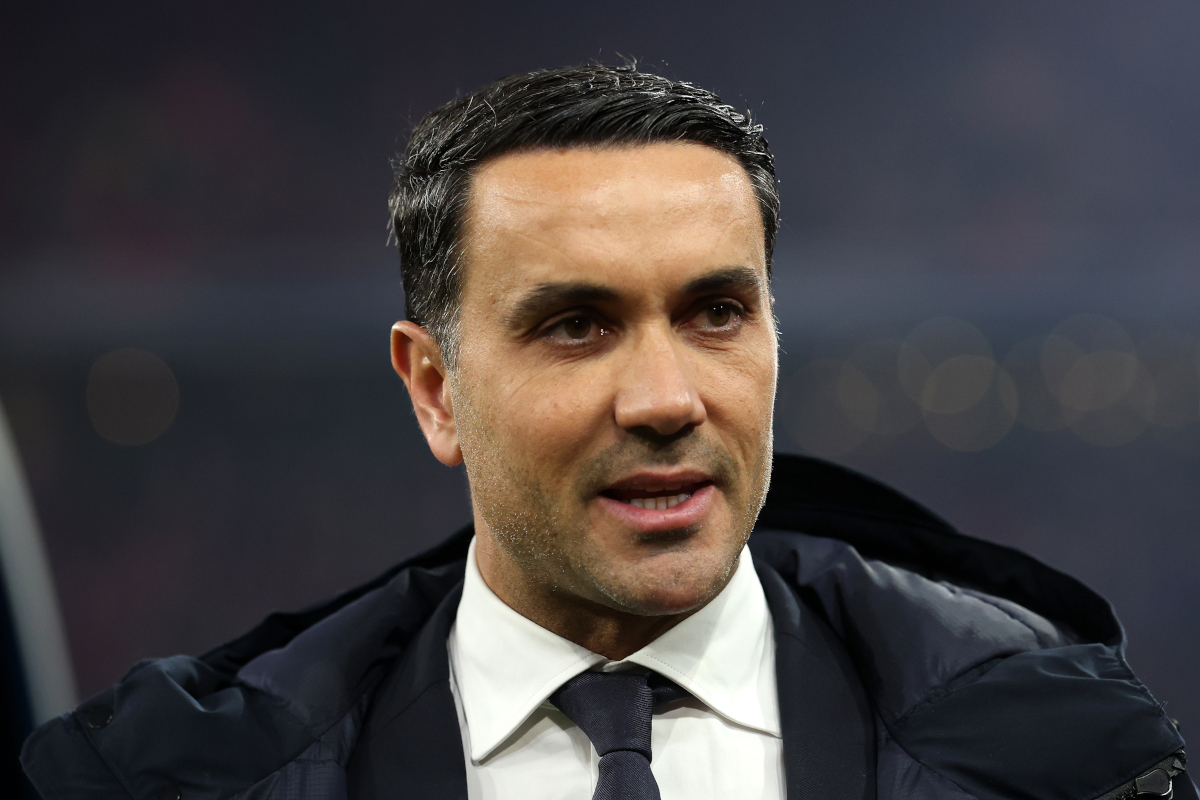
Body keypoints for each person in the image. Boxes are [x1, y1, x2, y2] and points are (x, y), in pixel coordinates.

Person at [21, 63, 1192, 800]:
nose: (665, 396)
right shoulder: (172, 774)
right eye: (578, 325)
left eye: (716, 312)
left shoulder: (1062, 750)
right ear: (434, 387)